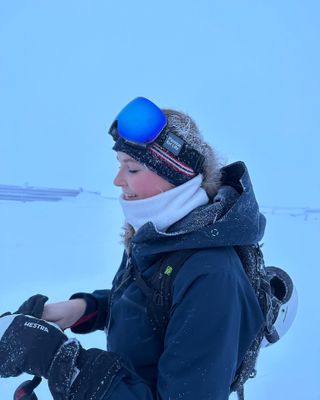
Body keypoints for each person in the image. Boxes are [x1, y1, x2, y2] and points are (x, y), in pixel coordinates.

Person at [0, 97, 267, 400]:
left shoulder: (211, 275)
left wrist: (60, 360)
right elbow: (148, 305)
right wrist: (83, 309)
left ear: (175, 175)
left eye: (133, 169)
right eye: (119, 166)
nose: (117, 180)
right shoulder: (156, 236)